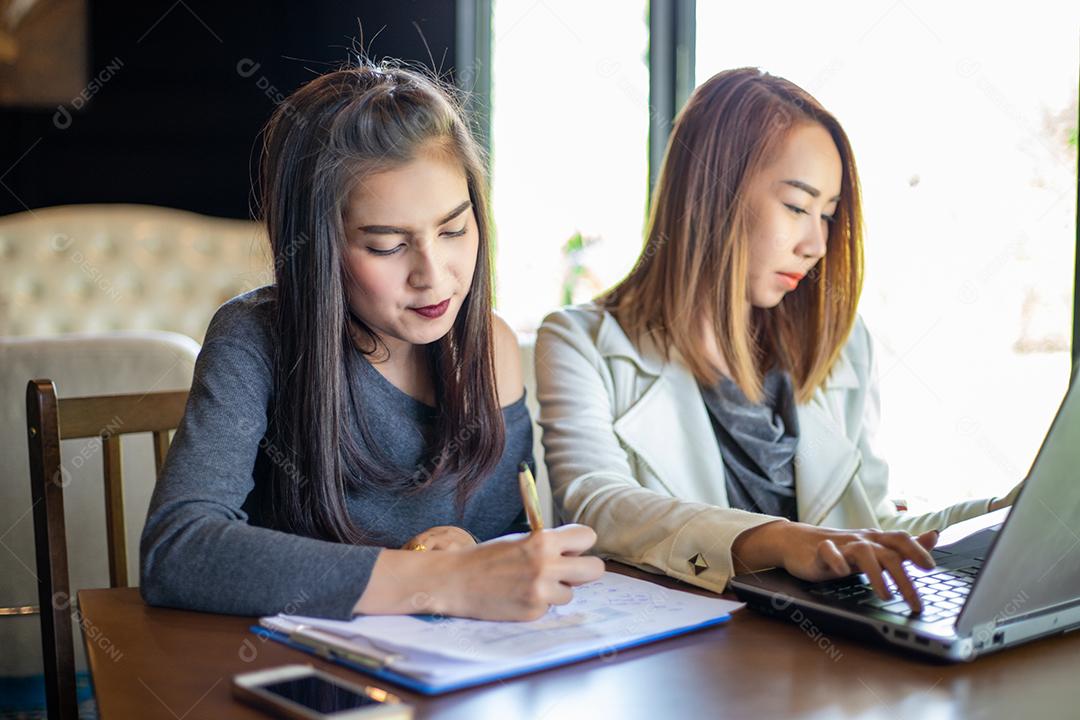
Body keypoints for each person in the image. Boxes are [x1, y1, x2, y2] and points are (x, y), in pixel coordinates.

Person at [535, 67, 1022, 612]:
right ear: (709, 192)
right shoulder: (582, 343)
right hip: (682, 664)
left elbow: (872, 526)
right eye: (796, 207)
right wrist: (783, 540)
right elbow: (601, 508)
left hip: (824, 660)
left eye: (828, 215)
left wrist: (1010, 512)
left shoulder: (837, 344)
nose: (816, 243)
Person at [140, 62, 603, 621]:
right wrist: (438, 579)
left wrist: (473, 556)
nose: (433, 274)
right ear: (317, 247)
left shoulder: (493, 348)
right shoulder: (254, 338)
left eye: (454, 230)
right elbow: (178, 551)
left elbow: (503, 544)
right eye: (387, 246)